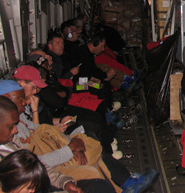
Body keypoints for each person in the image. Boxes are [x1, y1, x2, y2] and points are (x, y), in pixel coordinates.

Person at [0, 80, 158, 193]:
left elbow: (40, 127)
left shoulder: (17, 121)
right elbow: (57, 103)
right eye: (32, 87)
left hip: (52, 144)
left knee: (90, 126)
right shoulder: (13, 127)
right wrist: (69, 148)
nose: (32, 94)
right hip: (47, 159)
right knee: (89, 146)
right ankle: (125, 181)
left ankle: (124, 177)